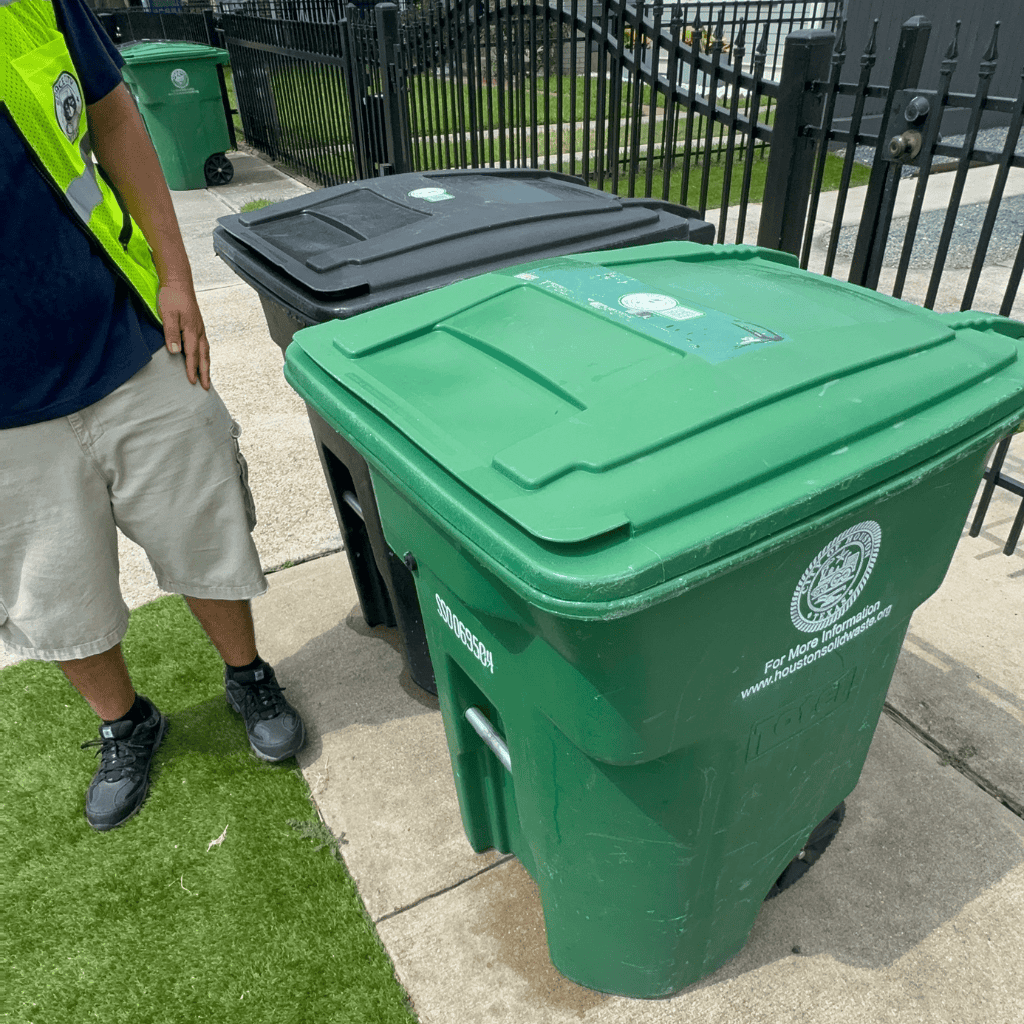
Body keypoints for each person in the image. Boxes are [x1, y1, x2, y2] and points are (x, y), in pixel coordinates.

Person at [0, 0, 306, 831]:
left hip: (122, 335)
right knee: (52, 588)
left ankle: (246, 674)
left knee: (203, 520)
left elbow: (112, 116)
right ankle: (125, 721)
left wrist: (176, 276)